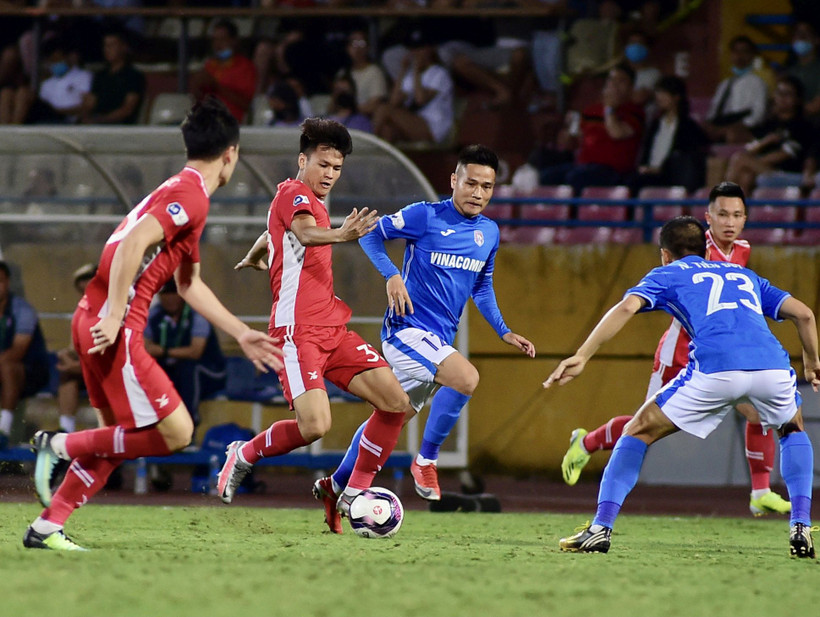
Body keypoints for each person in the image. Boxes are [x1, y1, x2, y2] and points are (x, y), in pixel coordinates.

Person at [24, 97, 283, 551]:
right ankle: (59, 446)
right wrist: (116, 312)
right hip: (114, 329)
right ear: (231, 154)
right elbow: (132, 246)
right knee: (177, 432)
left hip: (95, 322)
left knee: (118, 438)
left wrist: (240, 332)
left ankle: (46, 527)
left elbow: (188, 284)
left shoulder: (180, 190)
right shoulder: (191, 197)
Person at [545, 215, 820, 557]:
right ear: (706, 248)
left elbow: (627, 306)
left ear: (665, 254)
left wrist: (583, 355)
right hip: (773, 367)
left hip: (716, 367)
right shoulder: (744, 275)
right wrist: (811, 363)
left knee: (637, 431)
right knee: (792, 431)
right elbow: (805, 314)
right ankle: (801, 527)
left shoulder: (667, 273)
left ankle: (600, 529)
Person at [313, 145, 536, 533]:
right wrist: (392, 275)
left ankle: (337, 486)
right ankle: (426, 461)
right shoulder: (425, 215)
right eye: (471, 183)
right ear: (454, 181)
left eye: (487, 186)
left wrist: (504, 330)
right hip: (406, 331)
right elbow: (370, 237)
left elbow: (482, 287)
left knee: (390, 417)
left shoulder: (488, 232)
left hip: (437, 343)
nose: (478, 193)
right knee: (466, 378)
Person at [216, 118, 414, 518]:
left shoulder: (308, 201)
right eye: (323, 164)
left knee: (397, 404)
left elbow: (284, 230)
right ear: (302, 160)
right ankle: (243, 453)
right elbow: (304, 232)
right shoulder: (294, 192)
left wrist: (259, 251)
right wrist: (343, 235)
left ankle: (347, 491)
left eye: (337, 168)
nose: (330, 174)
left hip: (333, 329)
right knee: (315, 426)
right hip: (296, 334)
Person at [560, 182, 793, 517]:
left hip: (723, 356)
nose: (730, 221)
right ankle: (586, 443)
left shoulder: (742, 249)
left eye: (738, 215)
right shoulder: (693, 245)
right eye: (723, 214)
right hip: (680, 350)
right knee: (645, 425)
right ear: (708, 217)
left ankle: (760, 491)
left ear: (745, 219)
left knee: (760, 412)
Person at [536, 64, 644, 194]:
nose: (614, 85)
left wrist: (609, 109)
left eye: (621, 81)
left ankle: (576, 214)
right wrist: (567, 137)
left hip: (614, 171)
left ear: (631, 88)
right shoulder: (590, 111)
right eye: (611, 80)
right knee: (546, 177)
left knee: (576, 178)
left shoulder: (635, 112)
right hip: (583, 166)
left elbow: (616, 133)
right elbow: (575, 144)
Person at [144, 279, 226, 430]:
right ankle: (151, 426)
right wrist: (167, 353)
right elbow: (146, 347)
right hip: (175, 368)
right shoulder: (155, 315)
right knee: (150, 370)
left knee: (189, 369)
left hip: (211, 371)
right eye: (164, 294)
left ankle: (189, 425)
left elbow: (195, 352)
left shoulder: (197, 314)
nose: (169, 298)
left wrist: (164, 351)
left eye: (173, 293)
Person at [726, 76, 818, 195]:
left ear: (797, 99)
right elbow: (750, 149)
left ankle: (724, 203)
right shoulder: (769, 124)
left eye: (787, 94)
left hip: (787, 173)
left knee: (739, 159)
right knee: (745, 175)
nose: (782, 98)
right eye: (779, 93)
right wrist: (766, 141)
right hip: (764, 170)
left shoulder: (802, 125)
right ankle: (741, 211)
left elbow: (785, 154)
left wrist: (753, 162)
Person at [373, 28, 454, 145]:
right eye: (413, 49)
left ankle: (369, 145)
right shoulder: (410, 75)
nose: (416, 53)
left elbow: (420, 99)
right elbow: (394, 101)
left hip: (434, 127)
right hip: (414, 122)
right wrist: (403, 71)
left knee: (384, 109)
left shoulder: (439, 74)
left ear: (429, 49)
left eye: (420, 48)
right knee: (387, 129)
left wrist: (416, 70)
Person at [629, 75, 708, 194]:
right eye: (658, 93)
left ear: (676, 97)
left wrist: (660, 169)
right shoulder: (655, 124)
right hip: (648, 173)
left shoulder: (688, 126)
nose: (658, 97)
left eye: (663, 93)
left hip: (669, 176)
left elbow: (685, 158)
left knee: (637, 182)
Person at [0, 261, 50, 450]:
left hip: (32, 372)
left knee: (8, 366)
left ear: (8, 283)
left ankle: (3, 431)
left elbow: (17, 352)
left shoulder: (23, 310)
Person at [55, 263, 97, 434]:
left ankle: (112, 431)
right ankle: (66, 429)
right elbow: (76, 348)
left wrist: (80, 367)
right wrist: (67, 356)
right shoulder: (81, 313)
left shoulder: (116, 308)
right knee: (68, 377)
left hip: (110, 369)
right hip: (87, 368)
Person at [190, 19, 257, 124]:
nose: (218, 45)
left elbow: (247, 105)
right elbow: (197, 99)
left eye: (223, 40)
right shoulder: (209, 65)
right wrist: (195, 85)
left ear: (234, 41)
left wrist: (217, 86)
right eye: (215, 40)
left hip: (230, 123)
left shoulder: (245, 67)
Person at [704, 36, 768, 144]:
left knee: (732, 134)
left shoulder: (757, 83)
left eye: (744, 52)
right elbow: (714, 109)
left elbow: (758, 114)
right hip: (720, 123)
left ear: (752, 56)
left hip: (740, 127)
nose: (739, 56)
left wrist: (738, 126)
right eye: (736, 51)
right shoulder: (724, 84)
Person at [79, 28, 145, 125]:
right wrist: (85, 116)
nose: (107, 49)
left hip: (120, 127)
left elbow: (127, 109)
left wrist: (100, 120)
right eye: (105, 45)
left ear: (123, 47)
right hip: (96, 124)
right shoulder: (100, 75)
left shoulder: (134, 76)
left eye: (112, 45)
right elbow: (91, 102)